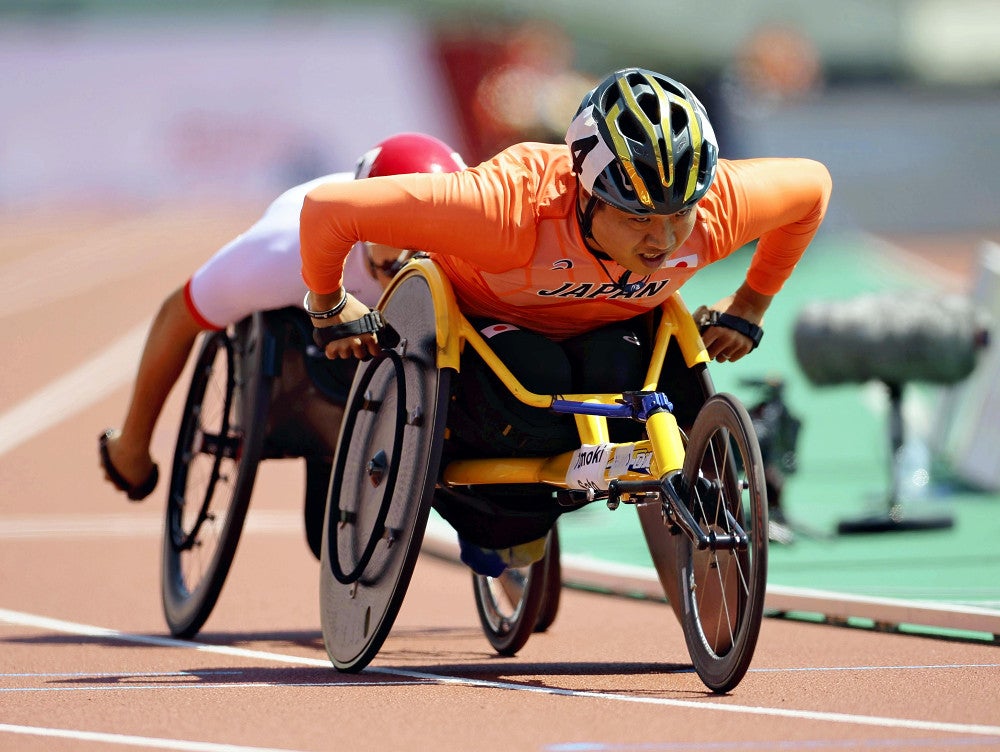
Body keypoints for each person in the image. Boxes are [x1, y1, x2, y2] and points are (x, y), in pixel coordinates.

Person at [298, 67, 833, 575]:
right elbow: (327, 208)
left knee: (619, 364)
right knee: (537, 374)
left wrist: (751, 305)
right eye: (638, 217)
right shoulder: (504, 211)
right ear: (587, 195)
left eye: (679, 214)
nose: (665, 240)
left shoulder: (716, 211)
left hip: (609, 340)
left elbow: (812, 189)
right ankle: (502, 515)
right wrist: (328, 305)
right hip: (487, 344)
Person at [99, 132, 467, 503]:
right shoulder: (281, 253)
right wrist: (133, 448)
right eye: (396, 230)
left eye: (429, 231)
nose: (412, 250)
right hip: (312, 321)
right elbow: (177, 315)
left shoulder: (478, 248)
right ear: (359, 227)